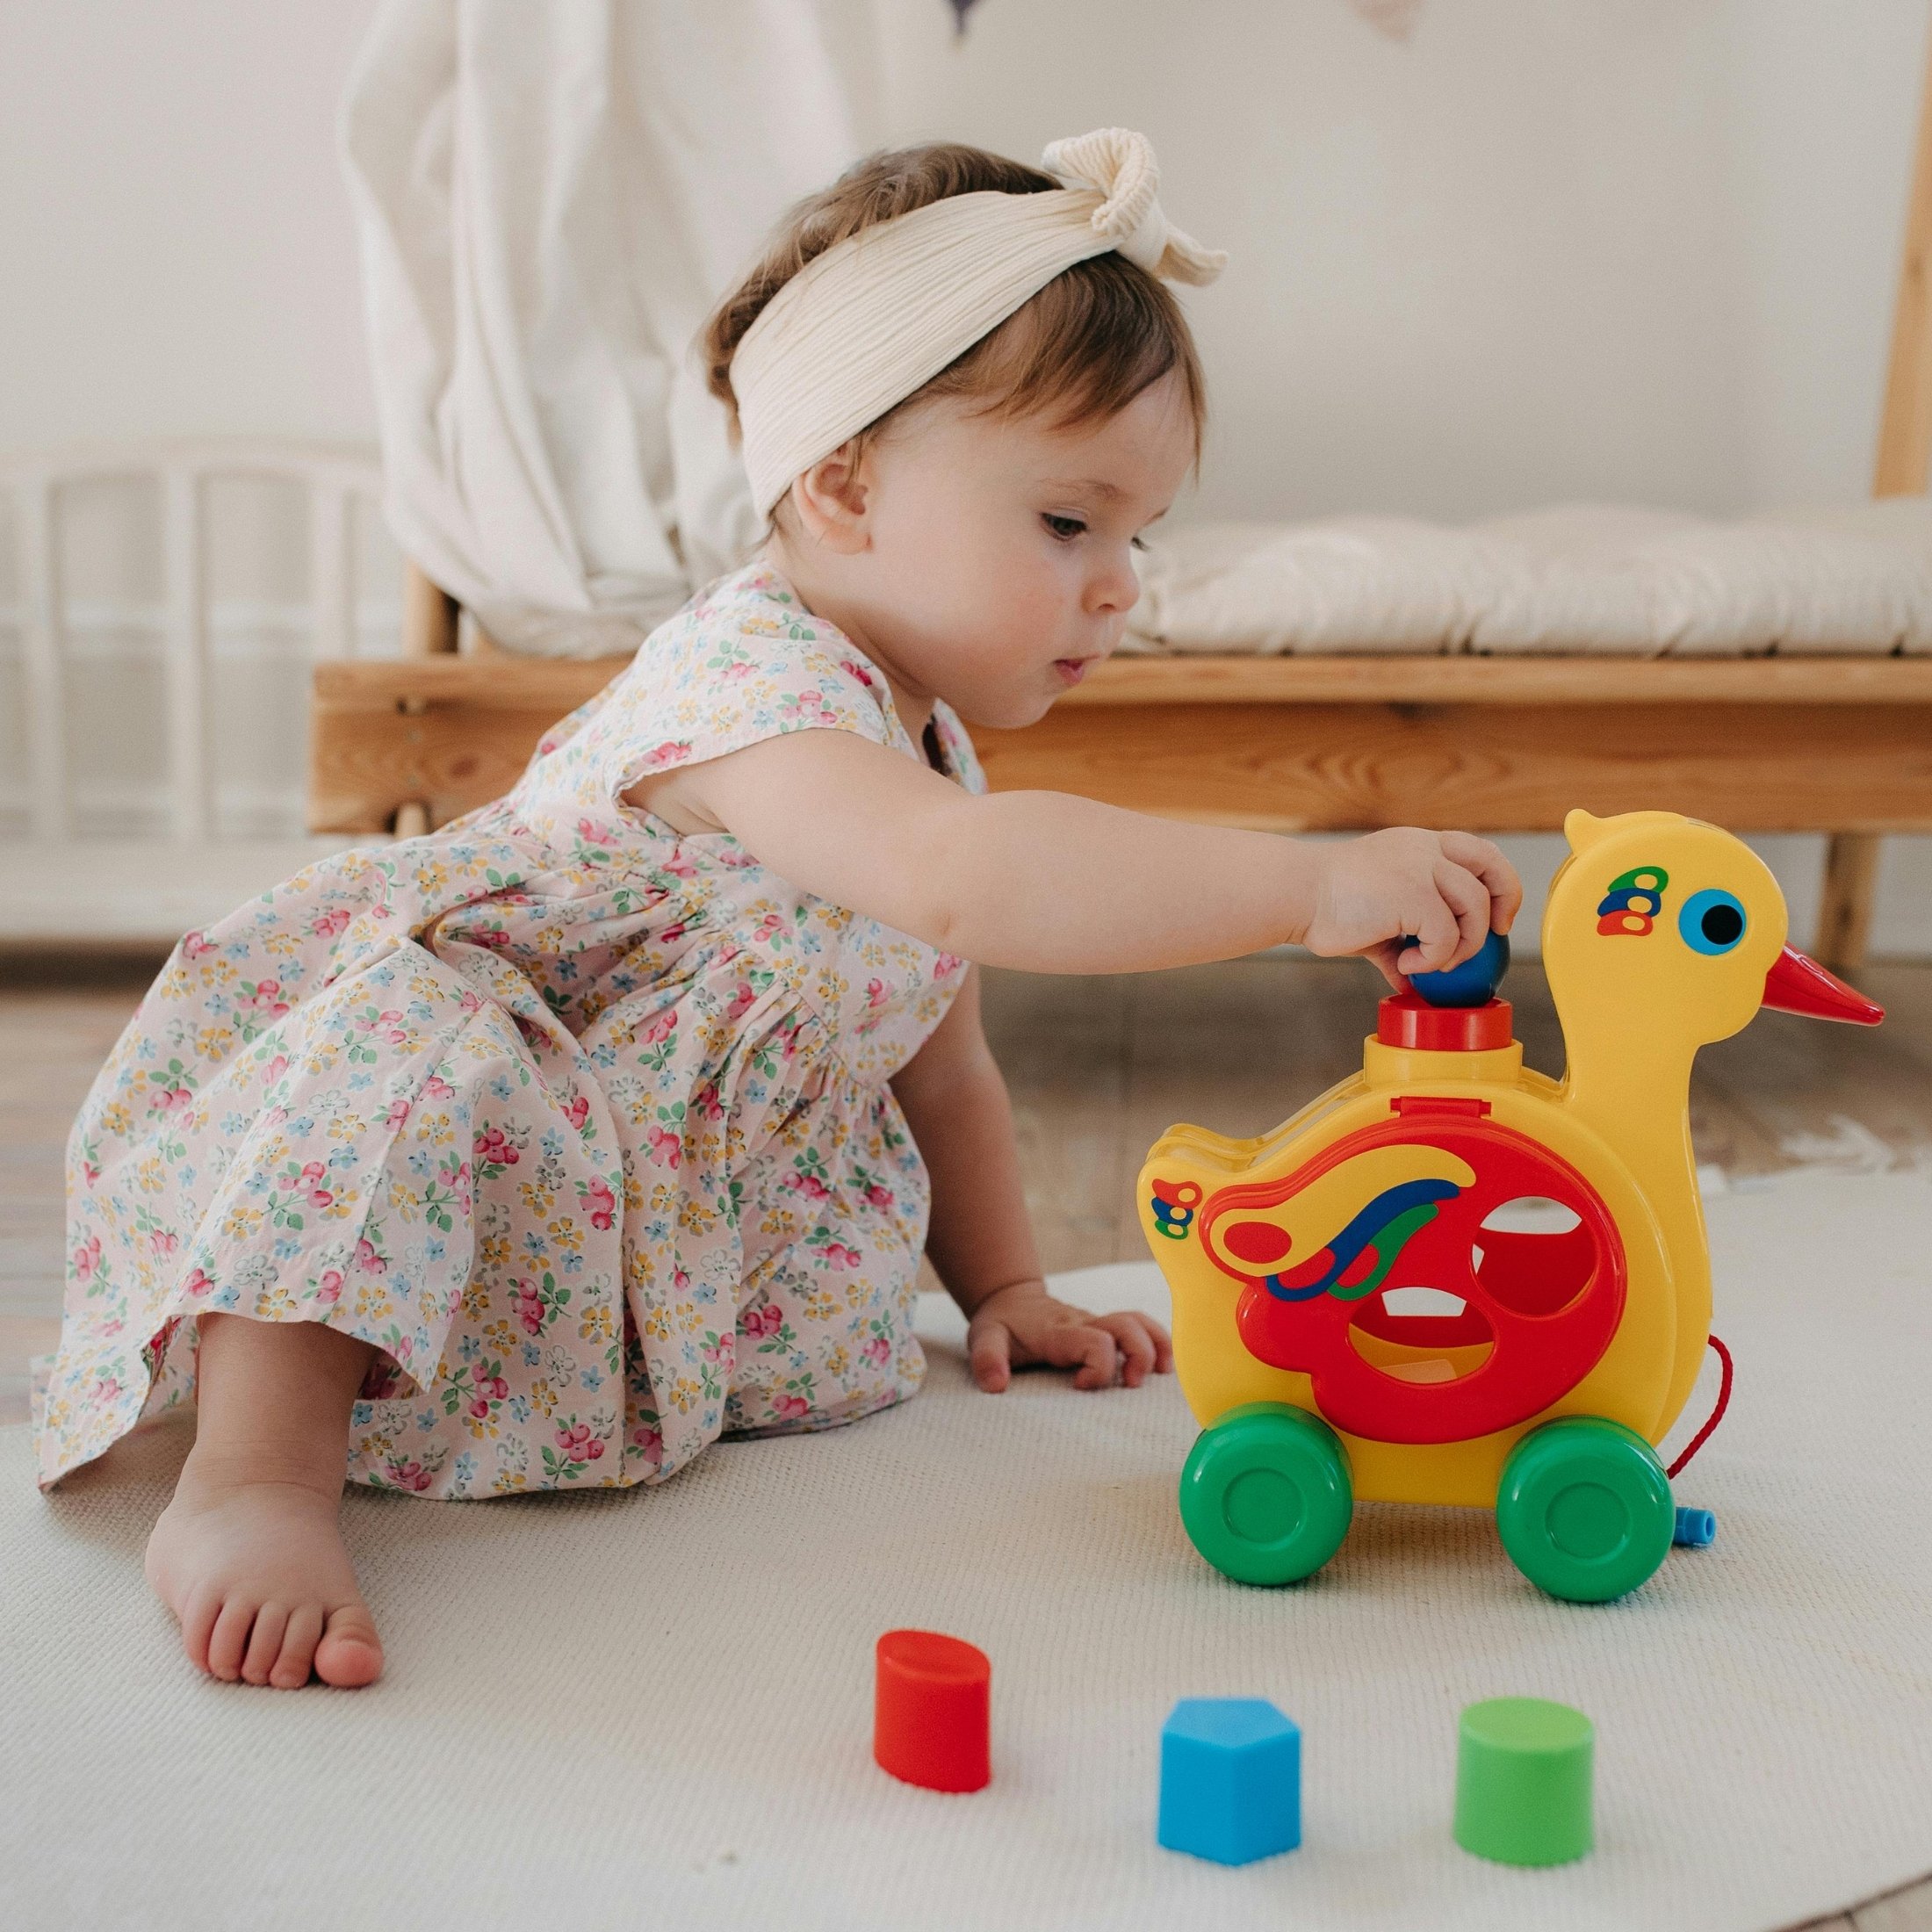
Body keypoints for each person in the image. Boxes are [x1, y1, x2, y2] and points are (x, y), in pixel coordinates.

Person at [32, 128, 1518, 1692]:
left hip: (649, 1217)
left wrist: (1003, 1287)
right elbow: (966, 883)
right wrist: (1304, 882)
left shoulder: (925, 740)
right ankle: (253, 1480)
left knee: (846, 1341)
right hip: (496, 1126)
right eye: (1070, 524)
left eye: (1139, 536)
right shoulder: (756, 685)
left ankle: (572, 1387)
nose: (1121, 585)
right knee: (400, 1057)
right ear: (843, 484)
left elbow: (945, 1060)